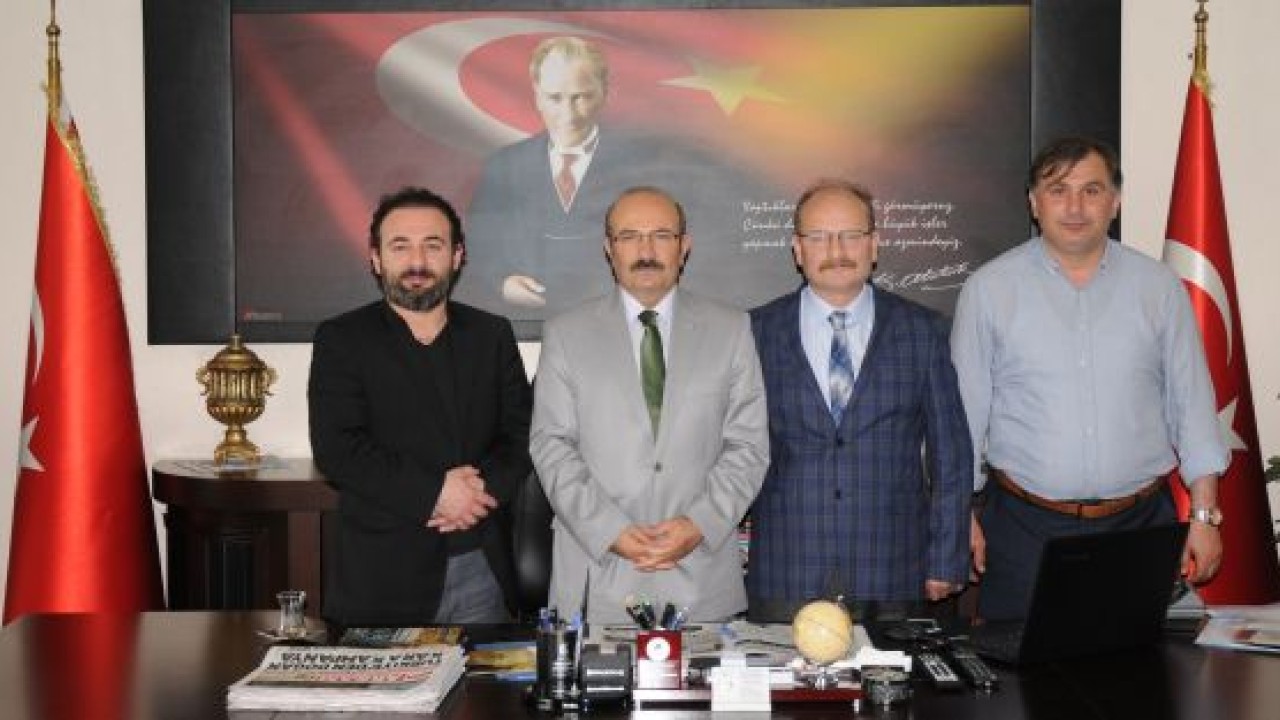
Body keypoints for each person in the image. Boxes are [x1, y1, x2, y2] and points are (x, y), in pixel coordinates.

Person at [951, 136, 1229, 620]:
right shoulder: (989, 291)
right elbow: (964, 419)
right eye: (1058, 190)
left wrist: (1204, 517)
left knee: (1136, 665)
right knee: (1018, 667)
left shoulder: (1159, 289)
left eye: (1092, 190)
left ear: (1115, 201)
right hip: (1022, 530)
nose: (1075, 207)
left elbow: (1193, 408)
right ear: (1034, 203)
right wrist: (960, 516)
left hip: (1139, 527)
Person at [530, 186, 770, 623]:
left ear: (684, 246)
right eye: (629, 236)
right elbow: (551, 446)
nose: (646, 251)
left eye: (661, 235)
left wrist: (698, 524)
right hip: (597, 576)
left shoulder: (732, 330)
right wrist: (610, 531)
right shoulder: (565, 334)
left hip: (701, 576)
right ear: (609, 249)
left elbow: (749, 446)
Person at [747, 179, 972, 621]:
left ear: (874, 244)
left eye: (851, 234)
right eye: (819, 236)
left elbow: (952, 453)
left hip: (893, 569)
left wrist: (947, 558)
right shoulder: (755, 332)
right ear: (797, 249)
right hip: (787, 568)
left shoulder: (922, 331)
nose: (837, 250)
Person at [308, 186, 533, 625]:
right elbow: (337, 449)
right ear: (376, 258)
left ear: (457, 256)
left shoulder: (491, 335)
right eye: (400, 246)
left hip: (481, 568)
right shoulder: (343, 339)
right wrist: (435, 493)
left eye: (433, 245)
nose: (418, 261)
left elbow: (521, 434)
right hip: (381, 578)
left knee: (486, 675)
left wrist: (474, 495)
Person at [459, 36, 658, 321]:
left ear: (604, 93)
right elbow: (479, 245)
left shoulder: (641, 167)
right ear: (537, 95)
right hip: (525, 326)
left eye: (581, 97)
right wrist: (501, 283)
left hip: (614, 324)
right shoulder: (504, 165)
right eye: (555, 98)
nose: (569, 114)